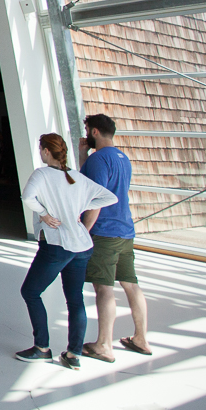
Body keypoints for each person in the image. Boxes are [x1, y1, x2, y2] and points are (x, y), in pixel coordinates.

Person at [17, 133, 118, 370]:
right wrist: (79, 209)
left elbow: (27, 197)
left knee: (30, 292)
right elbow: (109, 197)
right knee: (75, 300)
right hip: (81, 245)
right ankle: (73, 355)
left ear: (45, 151)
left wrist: (44, 214)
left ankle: (42, 348)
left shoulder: (41, 174)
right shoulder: (76, 177)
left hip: (57, 245)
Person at [80, 113, 152, 363]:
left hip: (105, 232)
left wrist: (84, 230)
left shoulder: (99, 160)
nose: (86, 133)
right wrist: (83, 157)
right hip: (125, 230)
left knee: (103, 287)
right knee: (131, 284)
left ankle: (103, 345)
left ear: (96, 132)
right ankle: (141, 337)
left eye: (87, 129)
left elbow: (95, 198)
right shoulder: (123, 158)